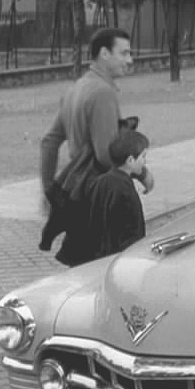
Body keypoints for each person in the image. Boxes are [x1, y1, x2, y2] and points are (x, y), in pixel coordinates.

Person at [39, 27, 154, 266]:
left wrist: (50, 189)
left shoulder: (76, 89)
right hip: (100, 197)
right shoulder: (103, 92)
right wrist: (143, 174)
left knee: (80, 268)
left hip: (78, 194)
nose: (129, 60)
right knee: (107, 269)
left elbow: (49, 143)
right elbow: (105, 154)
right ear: (104, 53)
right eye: (124, 53)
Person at [87, 130, 149, 259]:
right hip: (117, 260)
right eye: (143, 156)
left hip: (95, 259)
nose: (145, 162)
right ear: (131, 160)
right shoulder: (126, 192)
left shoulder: (99, 182)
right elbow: (134, 236)